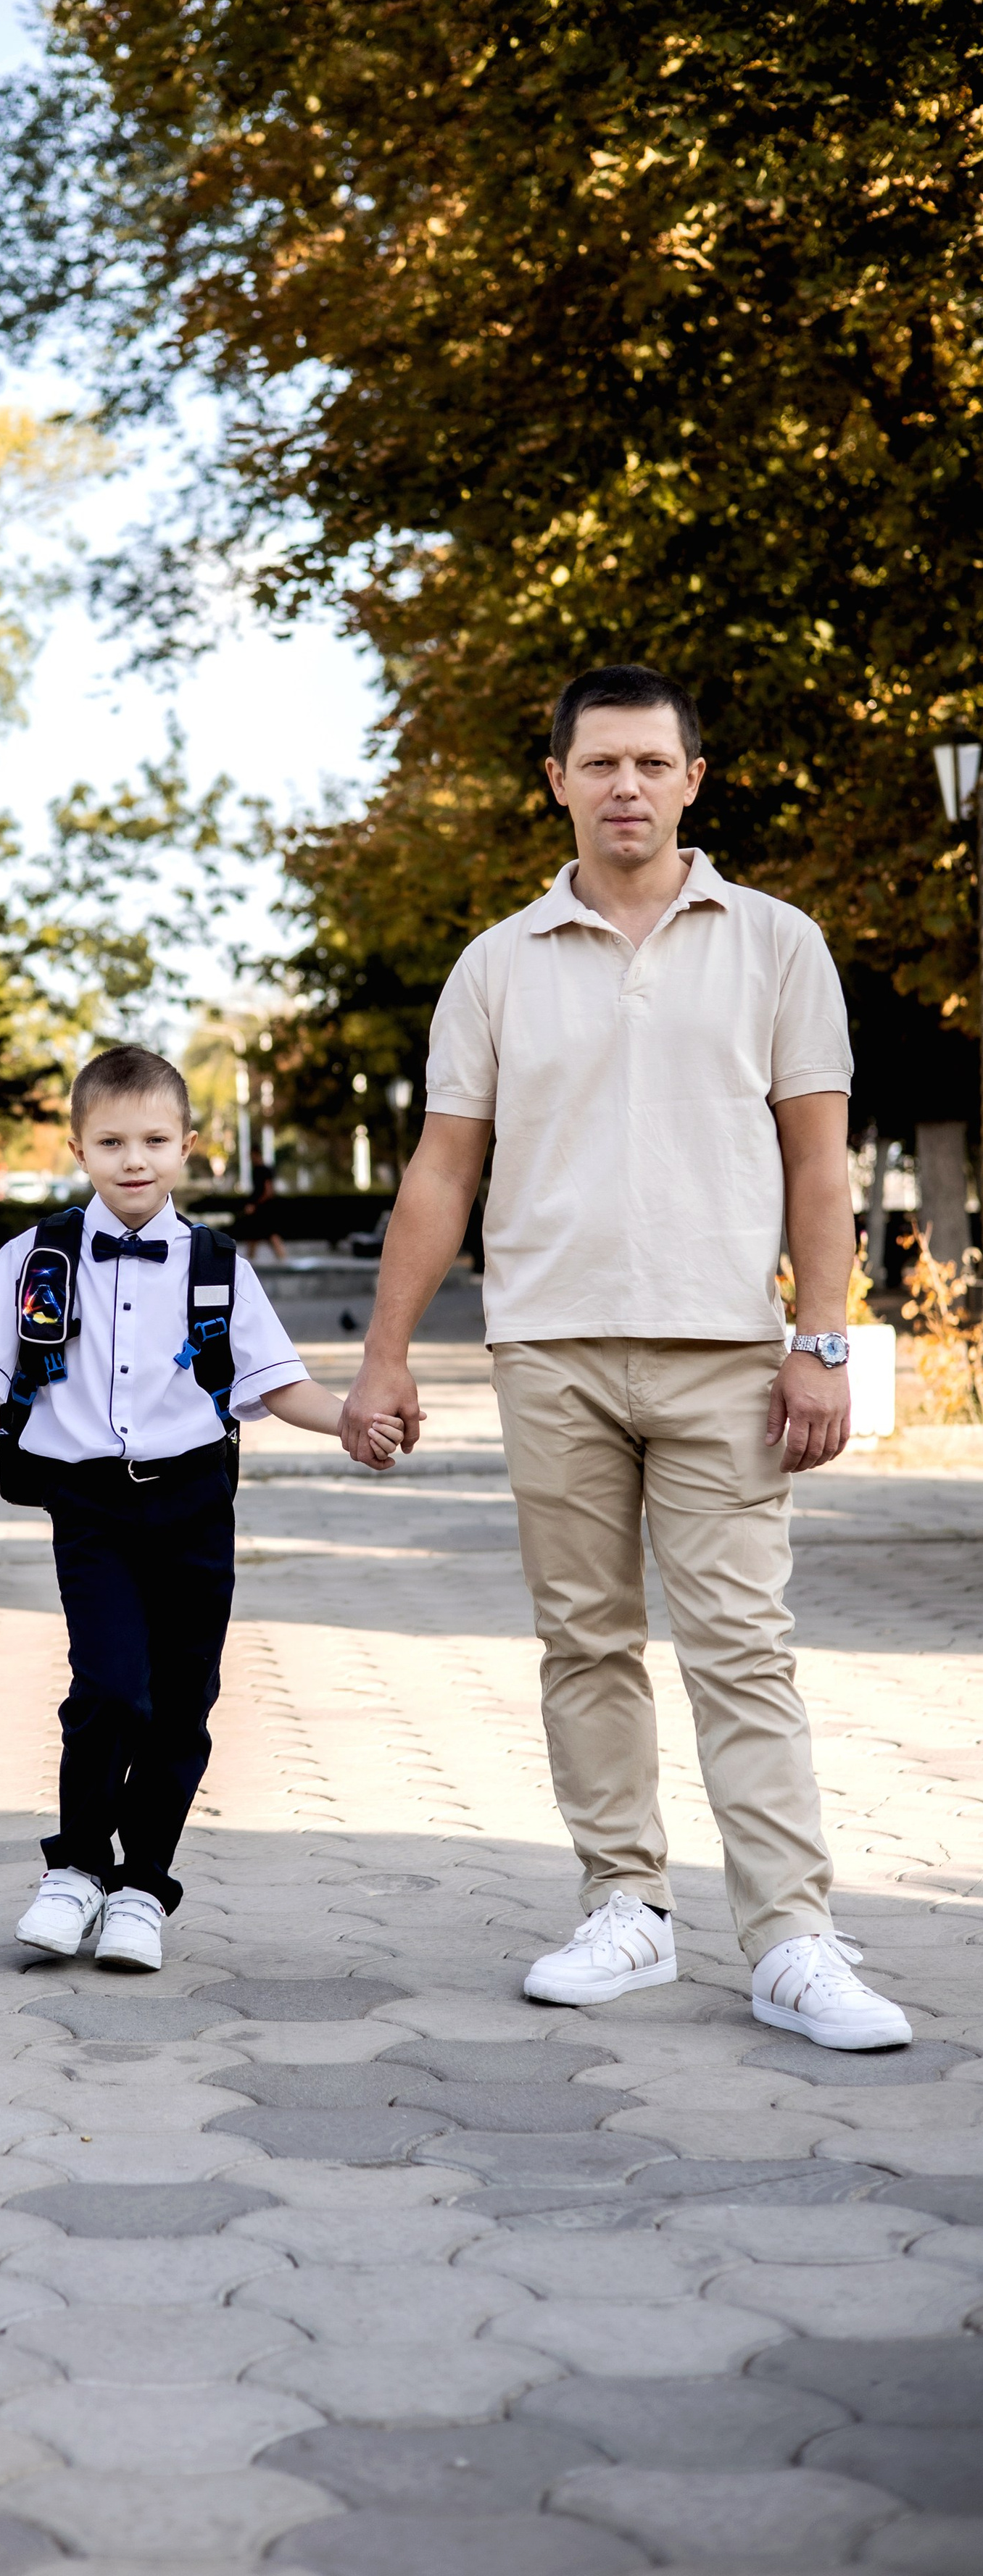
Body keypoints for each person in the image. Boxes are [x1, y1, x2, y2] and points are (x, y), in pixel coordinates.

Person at [340, 663, 911, 2052]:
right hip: (551, 1350)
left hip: (728, 1352)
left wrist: (821, 1341)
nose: (627, 787)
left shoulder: (777, 942)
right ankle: (627, 1911)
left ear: (693, 780)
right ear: (559, 782)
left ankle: (791, 1941)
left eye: (653, 764)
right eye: (600, 765)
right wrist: (385, 1357)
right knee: (585, 1642)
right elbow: (441, 1170)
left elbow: (818, 1159)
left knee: (743, 1651)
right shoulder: (496, 964)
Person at [0, 1046, 381, 1971]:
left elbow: (277, 1383)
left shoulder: (216, 1265)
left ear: (188, 1147)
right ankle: (78, 1869)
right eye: (112, 1141)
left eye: (155, 1140)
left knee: (182, 1704)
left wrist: (351, 1424)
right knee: (108, 1690)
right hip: (88, 1504)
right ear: (77, 1149)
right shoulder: (37, 1254)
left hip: (195, 1502)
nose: (134, 1160)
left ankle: (142, 1889)